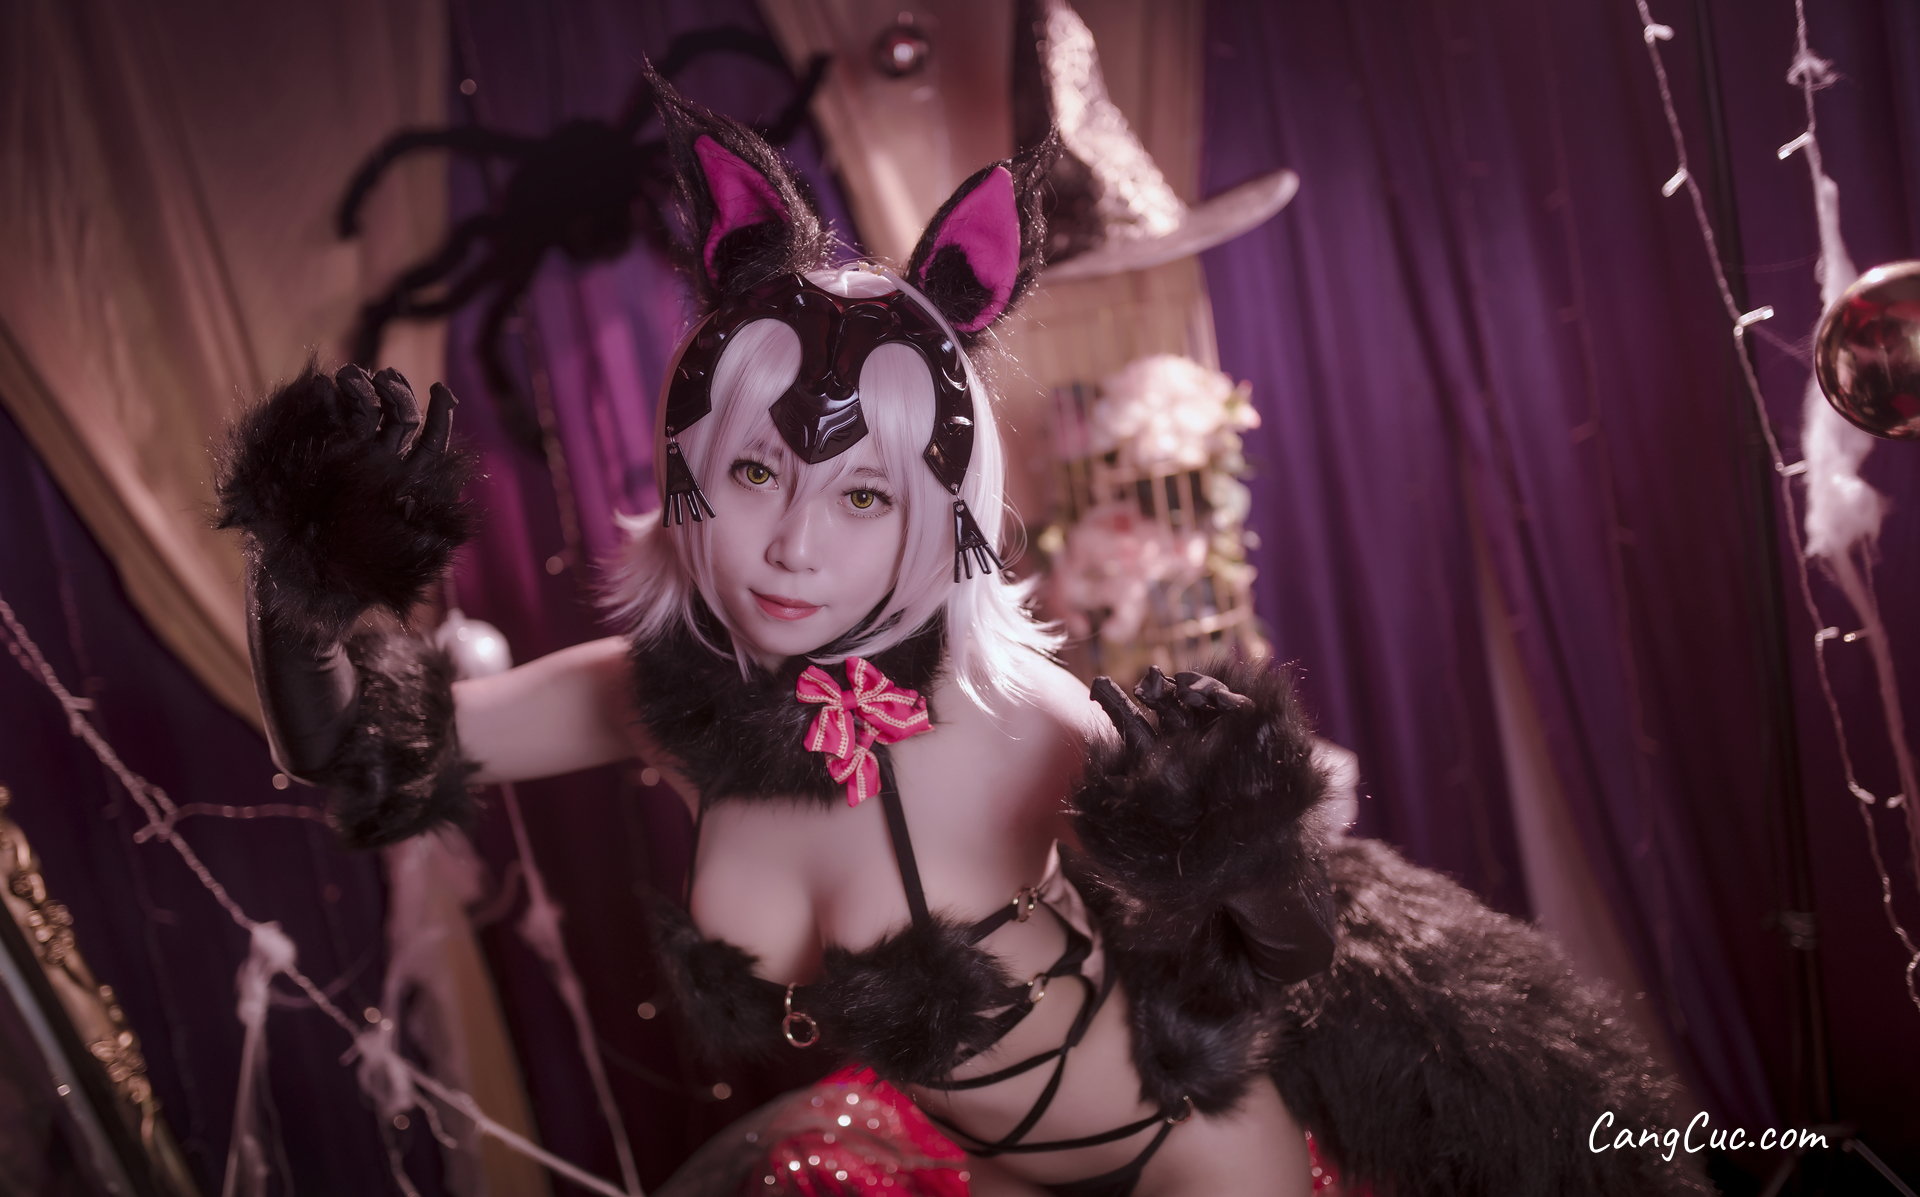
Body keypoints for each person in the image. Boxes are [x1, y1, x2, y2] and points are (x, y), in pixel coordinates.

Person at [216, 76, 1704, 1197]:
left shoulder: (1017, 711)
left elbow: (1296, 944)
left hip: (1198, 1166)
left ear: (942, 518)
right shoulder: (662, 697)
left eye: (864, 493)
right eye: (757, 472)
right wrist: (302, 569)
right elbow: (362, 750)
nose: (796, 544)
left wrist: (1232, 824)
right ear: (687, 473)